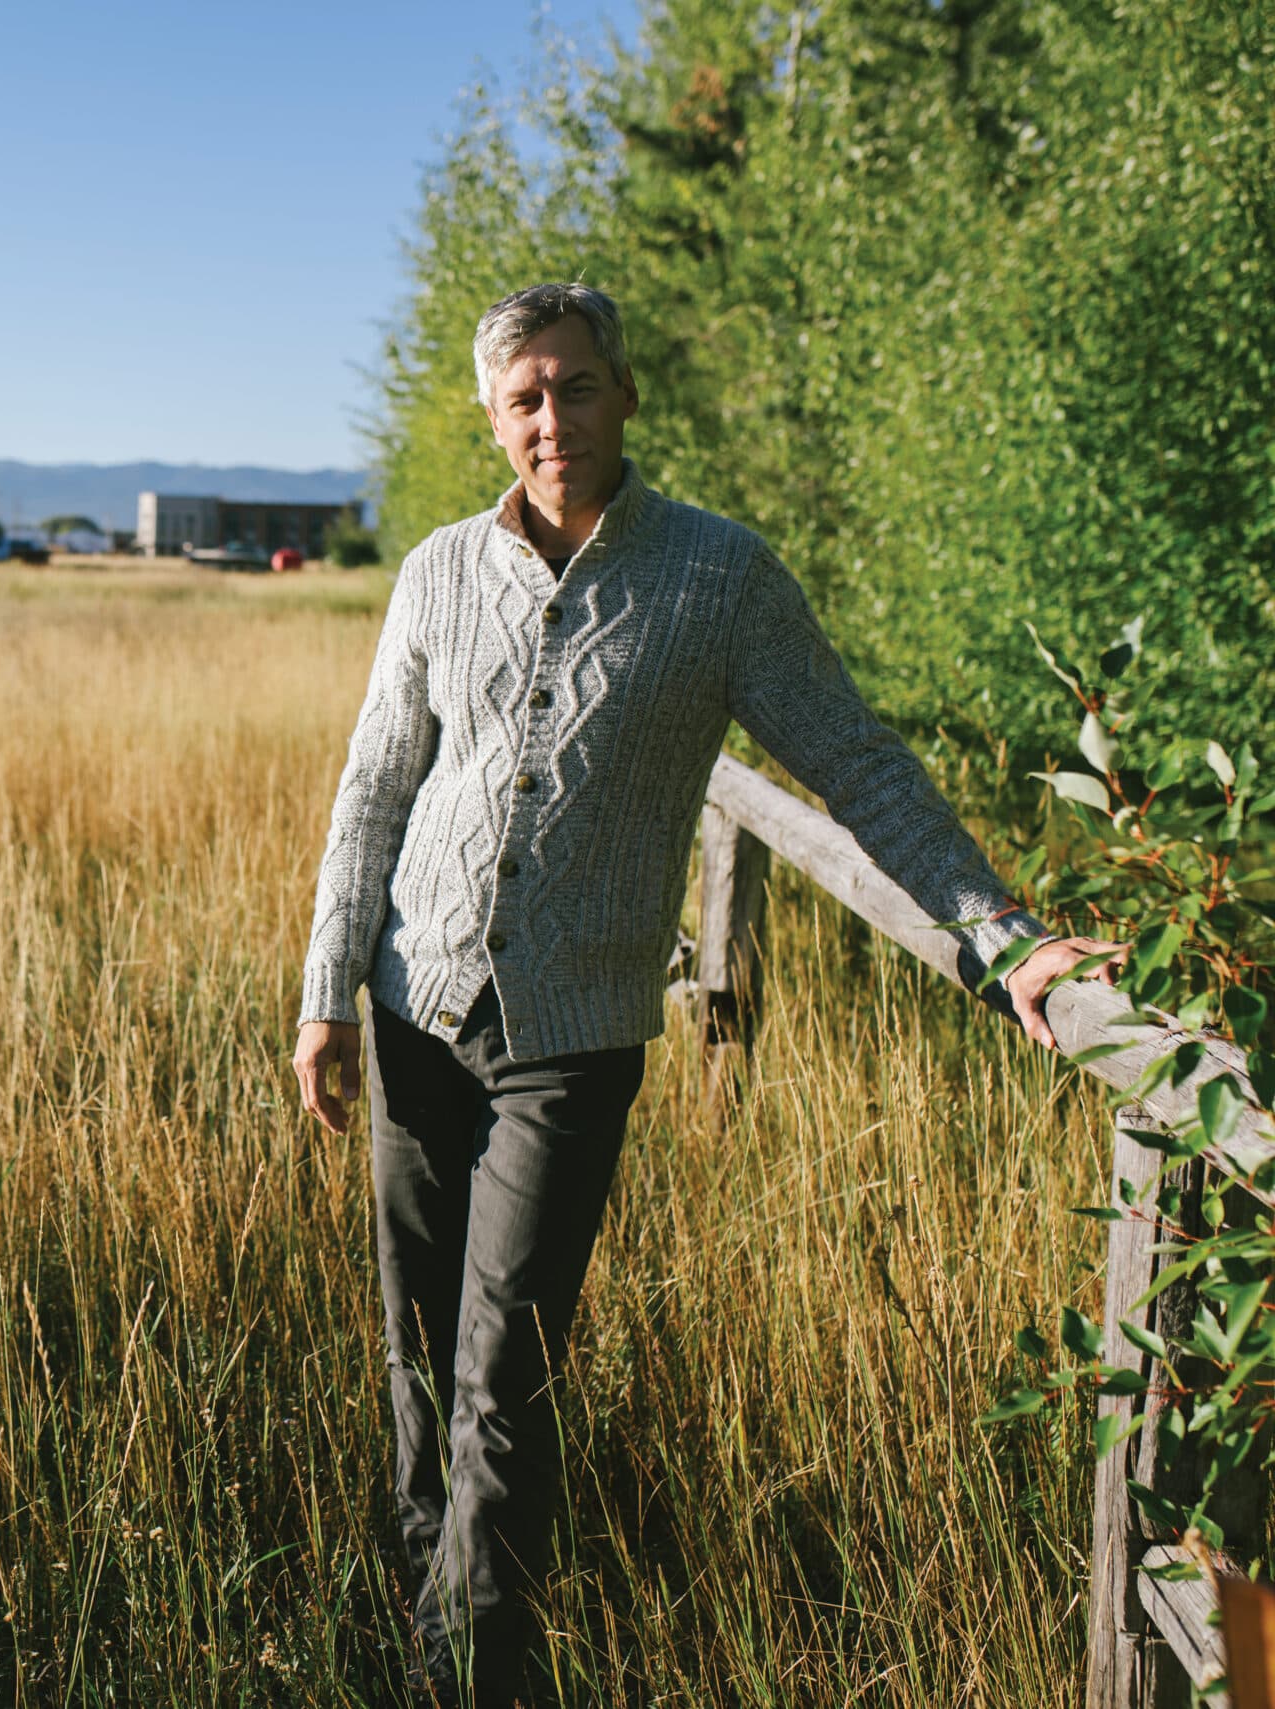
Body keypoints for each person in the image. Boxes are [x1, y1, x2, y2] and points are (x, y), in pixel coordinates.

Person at [288, 282, 1120, 1704]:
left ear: (625, 393)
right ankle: (422, 1624)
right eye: (525, 398)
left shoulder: (721, 577)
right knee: (416, 1353)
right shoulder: (435, 571)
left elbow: (856, 762)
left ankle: (475, 1674)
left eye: (578, 386)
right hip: (415, 1002)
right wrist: (327, 991)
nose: (554, 420)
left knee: (504, 1373)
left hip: (574, 1035)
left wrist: (1004, 934)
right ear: (494, 418)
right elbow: (376, 788)